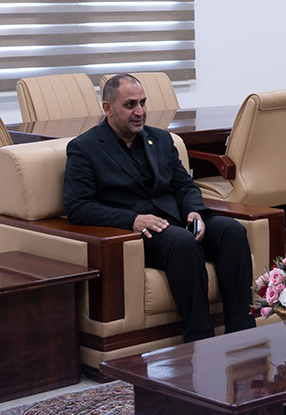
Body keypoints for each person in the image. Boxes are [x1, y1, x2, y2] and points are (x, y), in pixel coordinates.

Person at [62, 74, 254, 343]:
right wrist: (133, 219)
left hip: (176, 221)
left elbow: (184, 185)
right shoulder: (84, 148)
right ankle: (201, 341)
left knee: (231, 231)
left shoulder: (162, 140)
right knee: (183, 242)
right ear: (108, 108)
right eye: (130, 105)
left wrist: (194, 210)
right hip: (136, 234)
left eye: (142, 103)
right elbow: (78, 207)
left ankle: (243, 336)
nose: (140, 112)